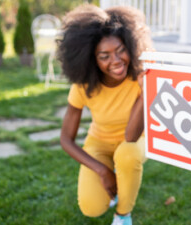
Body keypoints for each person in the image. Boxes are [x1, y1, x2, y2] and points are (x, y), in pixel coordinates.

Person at [58, 4, 152, 225]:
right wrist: (102, 170)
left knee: (127, 154)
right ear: (91, 59)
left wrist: (144, 91)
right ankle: (115, 177)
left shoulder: (142, 75)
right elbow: (66, 139)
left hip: (136, 140)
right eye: (104, 56)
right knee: (91, 207)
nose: (116, 61)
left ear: (131, 45)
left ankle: (123, 215)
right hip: (99, 142)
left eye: (121, 50)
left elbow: (131, 136)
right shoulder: (83, 86)